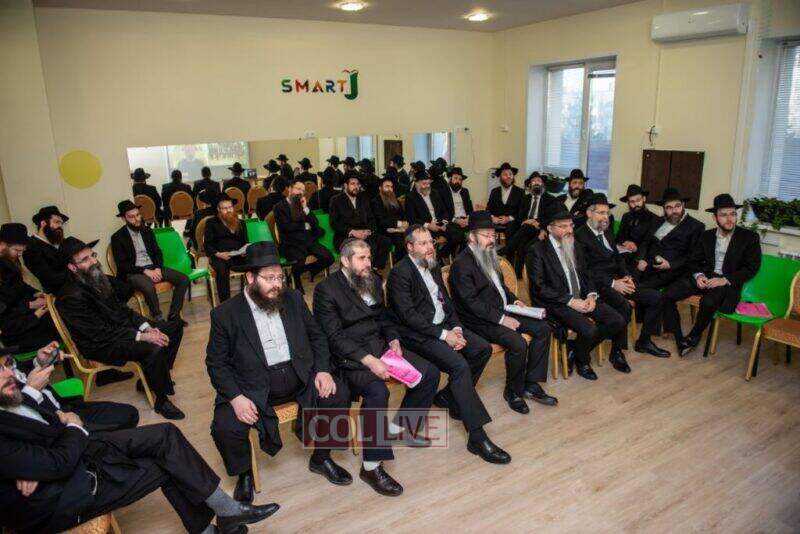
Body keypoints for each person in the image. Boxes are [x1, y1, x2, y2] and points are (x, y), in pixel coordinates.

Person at [0, 349, 279, 533]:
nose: (10, 374)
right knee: (167, 464)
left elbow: (40, 433)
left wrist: (30, 463)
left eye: (6, 365)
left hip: (71, 455)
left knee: (165, 436)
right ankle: (217, 520)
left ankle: (225, 511)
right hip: (60, 496)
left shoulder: (10, 393)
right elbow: (58, 461)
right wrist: (69, 429)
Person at [206, 242, 352, 504]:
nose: (277, 284)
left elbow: (317, 336)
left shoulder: (293, 298)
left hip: (300, 376)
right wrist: (236, 397)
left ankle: (321, 457)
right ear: (250, 278)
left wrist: (322, 370)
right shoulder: (225, 314)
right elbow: (216, 364)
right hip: (251, 386)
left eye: (280, 277)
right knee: (225, 427)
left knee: (338, 394)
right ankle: (244, 474)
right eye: (269, 278)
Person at [313, 238, 440, 496]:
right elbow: (334, 337)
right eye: (361, 258)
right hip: (351, 358)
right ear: (345, 261)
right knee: (377, 392)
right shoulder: (326, 289)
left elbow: (384, 316)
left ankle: (400, 429)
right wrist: (369, 360)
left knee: (429, 373)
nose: (368, 263)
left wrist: (392, 338)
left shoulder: (372, 280)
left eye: (369, 257)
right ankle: (371, 466)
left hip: (381, 347)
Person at [387, 226, 510, 464]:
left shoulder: (432, 265)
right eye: (423, 243)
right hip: (417, 335)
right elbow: (409, 317)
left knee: (481, 349)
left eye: (431, 242)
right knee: (459, 366)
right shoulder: (399, 274)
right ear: (410, 247)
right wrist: (445, 336)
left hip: (442, 326)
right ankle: (477, 437)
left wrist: (456, 328)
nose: (430, 247)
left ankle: (450, 397)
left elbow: (446, 302)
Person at [57, 237, 186, 419]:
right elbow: (98, 333)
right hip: (100, 344)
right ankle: (162, 400)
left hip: (118, 330)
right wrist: (141, 336)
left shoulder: (96, 278)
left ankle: (152, 379)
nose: (93, 261)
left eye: (92, 255)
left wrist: (146, 327)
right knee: (153, 347)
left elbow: (124, 310)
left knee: (174, 328)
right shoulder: (70, 297)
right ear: (72, 267)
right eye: (85, 259)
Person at [449, 212, 556, 411]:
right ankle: (513, 391)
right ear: (472, 237)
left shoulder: (488, 255)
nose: (491, 240)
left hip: (503, 309)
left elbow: (500, 288)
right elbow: (471, 303)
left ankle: (531, 383)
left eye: (493, 235)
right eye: (486, 236)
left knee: (543, 328)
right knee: (518, 343)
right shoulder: (461, 265)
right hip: (478, 319)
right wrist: (502, 319)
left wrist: (515, 300)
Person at [526, 209, 626, 380]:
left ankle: (575, 349)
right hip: (556, 303)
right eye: (563, 226)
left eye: (571, 225)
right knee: (589, 329)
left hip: (583, 298)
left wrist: (592, 296)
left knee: (617, 321)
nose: (569, 230)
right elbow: (539, 288)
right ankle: (583, 361)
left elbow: (587, 274)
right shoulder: (537, 250)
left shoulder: (575, 244)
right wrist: (571, 301)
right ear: (550, 228)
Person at [575, 193, 670, 363]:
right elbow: (584, 271)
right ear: (589, 213)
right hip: (598, 284)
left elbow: (618, 257)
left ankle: (644, 342)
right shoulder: (579, 236)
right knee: (624, 306)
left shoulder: (606, 231)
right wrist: (613, 283)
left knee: (657, 297)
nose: (606, 217)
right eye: (601, 213)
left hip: (618, 279)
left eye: (607, 213)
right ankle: (616, 351)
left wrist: (627, 275)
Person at [662, 194, 762, 356]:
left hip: (727, 282)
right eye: (723, 215)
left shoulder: (749, 238)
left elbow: (751, 268)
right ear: (715, 218)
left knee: (708, 302)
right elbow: (693, 261)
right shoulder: (706, 236)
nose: (729, 219)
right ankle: (679, 338)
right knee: (667, 294)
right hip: (706, 277)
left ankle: (693, 337)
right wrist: (698, 275)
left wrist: (724, 280)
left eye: (732, 214)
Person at [9, 340, 139, 432]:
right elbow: (19, 422)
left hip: (63, 406)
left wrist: (40, 362)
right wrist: (31, 390)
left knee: (129, 414)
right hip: (54, 425)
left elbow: (21, 375)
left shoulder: (5, 355)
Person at [110, 200, 190, 323]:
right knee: (148, 287)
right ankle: (158, 318)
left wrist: (157, 268)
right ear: (123, 218)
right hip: (134, 272)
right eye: (131, 217)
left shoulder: (147, 231)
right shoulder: (117, 237)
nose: (137, 219)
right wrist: (145, 271)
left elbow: (157, 252)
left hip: (153, 267)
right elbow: (122, 265)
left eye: (138, 215)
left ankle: (174, 315)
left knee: (183, 279)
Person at [0, 223, 58, 353]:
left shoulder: (10, 258)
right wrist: (31, 306)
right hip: (14, 329)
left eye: (22, 251)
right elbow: (5, 307)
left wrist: (36, 293)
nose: (20, 254)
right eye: (17, 250)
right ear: (3, 245)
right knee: (56, 326)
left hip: (24, 317)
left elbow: (20, 286)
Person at [636, 187, 705, 291]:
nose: (674, 211)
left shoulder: (696, 226)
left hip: (671, 272)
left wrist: (670, 265)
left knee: (636, 289)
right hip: (646, 266)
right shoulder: (657, 221)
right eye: (669, 207)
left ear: (683, 205)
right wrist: (640, 259)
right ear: (664, 209)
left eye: (677, 206)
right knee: (624, 279)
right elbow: (646, 242)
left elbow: (693, 256)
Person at [274, 180, 333, 292]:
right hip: (290, 242)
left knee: (329, 258)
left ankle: (310, 271)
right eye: (298, 189)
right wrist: (304, 226)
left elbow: (315, 223)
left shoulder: (303, 204)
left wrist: (305, 208)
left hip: (307, 240)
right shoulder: (279, 207)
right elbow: (285, 226)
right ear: (290, 189)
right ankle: (296, 279)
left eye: (303, 190)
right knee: (299, 261)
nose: (301, 192)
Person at [328, 171, 391, 270]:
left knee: (385, 241)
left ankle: (374, 269)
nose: (356, 187)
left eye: (358, 184)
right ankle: (360, 272)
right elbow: (335, 223)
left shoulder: (363, 198)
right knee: (362, 246)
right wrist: (353, 232)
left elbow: (371, 219)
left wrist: (368, 231)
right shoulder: (336, 200)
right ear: (346, 185)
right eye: (353, 184)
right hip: (346, 237)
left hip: (365, 234)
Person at [502, 171, 558, 277]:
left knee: (526, 229)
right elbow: (520, 217)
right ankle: (517, 273)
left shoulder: (550, 199)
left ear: (543, 184)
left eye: (539, 181)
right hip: (526, 229)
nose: (536, 183)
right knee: (522, 242)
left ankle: (507, 249)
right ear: (529, 185)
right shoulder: (525, 199)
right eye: (533, 181)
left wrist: (535, 221)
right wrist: (527, 221)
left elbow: (550, 216)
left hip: (540, 228)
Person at [404, 170, 465, 260]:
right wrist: (429, 225)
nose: (427, 186)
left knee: (459, 235)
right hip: (425, 228)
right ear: (417, 184)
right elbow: (412, 219)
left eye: (428, 183)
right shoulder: (411, 197)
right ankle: (436, 258)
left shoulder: (435, 193)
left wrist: (444, 222)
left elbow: (444, 211)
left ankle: (440, 255)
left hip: (440, 224)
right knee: (427, 241)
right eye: (424, 184)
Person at [204, 193, 248, 302]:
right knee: (222, 270)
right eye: (224, 208)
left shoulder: (241, 222)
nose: (228, 210)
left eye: (230, 207)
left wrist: (244, 251)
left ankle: (254, 297)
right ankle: (225, 303)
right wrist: (219, 254)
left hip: (237, 256)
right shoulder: (211, 223)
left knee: (256, 263)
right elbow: (207, 245)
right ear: (218, 209)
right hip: (219, 257)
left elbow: (245, 242)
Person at [615, 184, 659, 276]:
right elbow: (619, 237)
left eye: (638, 200)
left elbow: (650, 243)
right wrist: (626, 242)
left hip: (642, 258)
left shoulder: (654, 219)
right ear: (628, 203)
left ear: (644, 199)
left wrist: (636, 247)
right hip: (624, 255)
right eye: (632, 201)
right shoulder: (626, 217)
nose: (635, 204)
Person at [370, 175, 409, 260]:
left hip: (400, 229)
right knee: (402, 244)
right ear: (380, 188)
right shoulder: (375, 201)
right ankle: (400, 263)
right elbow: (381, 220)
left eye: (391, 187)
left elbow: (403, 215)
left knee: (413, 240)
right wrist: (400, 224)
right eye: (387, 186)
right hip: (385, 230)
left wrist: (405, 223)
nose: (390, 189)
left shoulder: (395, 200)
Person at [487, 162, 524, 240]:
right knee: (482, 227)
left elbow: (522, 211)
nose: (508, 176)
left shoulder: (520, 192)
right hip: (496, 220)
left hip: (512, 221)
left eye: (510, 174)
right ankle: (489, 247)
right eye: (505, 174)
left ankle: (509, 248)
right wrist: (493, 218)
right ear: (500, 177)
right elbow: (488, 209)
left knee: (510, 230)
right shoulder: (494, 191)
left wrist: (508, 218)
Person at [441, 166, 473, 233]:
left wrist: (468, 218)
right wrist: (456, 220)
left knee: (480, 230)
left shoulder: (465, 191)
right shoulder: (444, 192)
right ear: (450, 178)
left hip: (466, 220)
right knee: (457, 234)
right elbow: (443, 211)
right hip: (452, 221)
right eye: (455, 178)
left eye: (460, 179)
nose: (458, 181)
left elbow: (470, 207)